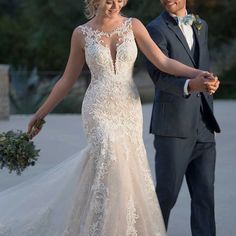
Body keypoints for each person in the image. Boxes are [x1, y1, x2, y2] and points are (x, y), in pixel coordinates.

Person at [0, 0, 216, 235]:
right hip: (98, 108)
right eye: (109, 0)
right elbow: (66, 80)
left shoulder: (133, 25)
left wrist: (198, 73)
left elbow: (163, 62)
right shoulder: (81, 33)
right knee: (108, 155)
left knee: (126, 169)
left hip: (128, 109)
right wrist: (40, 114)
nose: (115, 5)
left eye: (120, 0)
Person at [146, 0, 220, 235]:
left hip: (204, 124)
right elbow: (159, 76)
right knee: (166, 196)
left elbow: (202, 65)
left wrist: (210, 83)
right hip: (173, 127)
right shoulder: (154, 29)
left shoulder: (202, 25)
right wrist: (191, 85)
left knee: (205, 198)